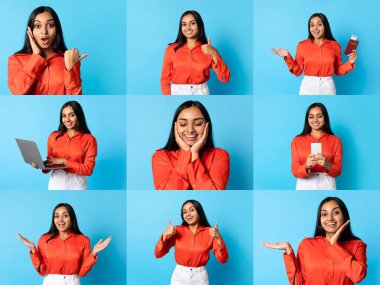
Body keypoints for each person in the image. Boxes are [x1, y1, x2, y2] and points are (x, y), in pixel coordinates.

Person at [262, 197, 367, 285]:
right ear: (320, 220)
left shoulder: (357, 245)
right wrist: (288, 251)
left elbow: (358, 276)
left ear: (344, 216)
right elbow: (299, 283)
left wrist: (335, 245)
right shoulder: (306, 245)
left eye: (336, 212)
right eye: (324, 214)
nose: (330, 218)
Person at [17, 203, 111, 285]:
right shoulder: (44, 239)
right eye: (56, 216)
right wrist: (33, 249)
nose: (60, 220)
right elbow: (42, 271)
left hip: (72, 282)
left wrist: (93, 253)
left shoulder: (84, 240)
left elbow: (81, 273)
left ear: (72, 218)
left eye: (65, 216)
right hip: (50, 282)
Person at [8, 6, 88, 95]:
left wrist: (69, 69)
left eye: (50, 25)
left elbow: (75, 96)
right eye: (38, 26)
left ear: (57, 29)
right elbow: (17, 92)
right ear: (30, 31)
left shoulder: (69, 59)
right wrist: (36, 56)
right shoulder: (16, 60)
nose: (44, 31)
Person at [271, 13, 357, 95]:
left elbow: (338, 70)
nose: (315, 28)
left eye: (319, 24)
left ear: (325, 26)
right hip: (308, 86)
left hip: (328, 86)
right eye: (312, 25)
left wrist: (350, 62)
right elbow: (297, 71)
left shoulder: (335, 45)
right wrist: (287, 56)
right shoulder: (302, 45)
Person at [152, 101, 230, 190]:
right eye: (183, 124)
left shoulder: (219, 156)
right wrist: (185, 153)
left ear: (206, 126)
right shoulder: (161, 157)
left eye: (198, 124)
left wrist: (194, 154)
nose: (190, 130)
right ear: (175, 127)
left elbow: (213, 192)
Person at [154, 200, 228, 285]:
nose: (188, 214)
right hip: (179, 276)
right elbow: (158, 254)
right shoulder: (176, 231)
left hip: (200, 277)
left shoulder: (210, 233)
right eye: (184, 212)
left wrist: (219, 238)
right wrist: (164, 235)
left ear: (199, 211)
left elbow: (223, 260)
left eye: (192, 210)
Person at [161, 10, 230, 95]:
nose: (188, 27)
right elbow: (164, 79)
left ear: (199, 25)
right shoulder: (171, 49)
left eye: (192, 23)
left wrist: (214, 54)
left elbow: (225, 78)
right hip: (177, 91)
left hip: (201, 91)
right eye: (184, 24)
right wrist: (168, 96)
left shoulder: (209, 49)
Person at [32, 101, 97, 190]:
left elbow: (88, 170)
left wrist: (64, 162)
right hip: (56, 182)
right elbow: (51, 161)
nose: (67, 119)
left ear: (79, 116)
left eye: (72, 115)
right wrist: (41, 165)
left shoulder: (90, 139)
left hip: (77, 183)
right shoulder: (53, 136)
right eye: (64, 115)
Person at [291, 103, 342, 190]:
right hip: (305, 182)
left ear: (325, 118)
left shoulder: (335, 140)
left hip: (327, 183)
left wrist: (327, 164)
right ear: (307, 120)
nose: (315, 120)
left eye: (319, 116)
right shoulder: (297, 140)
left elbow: (338, 171)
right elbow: (294, 170)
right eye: (311, 117)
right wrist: (306, 166)